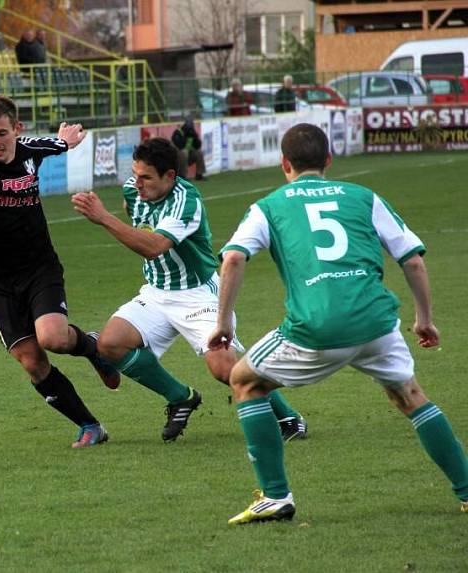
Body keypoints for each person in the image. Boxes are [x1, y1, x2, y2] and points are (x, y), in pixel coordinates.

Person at [208, 123, 468, 524]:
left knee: (244, 380)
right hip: (377, 323)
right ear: (329, 160)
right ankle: (466, 491)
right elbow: (413, 259)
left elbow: (233, 259)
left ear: (284, 164)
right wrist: (424, 320)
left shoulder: (269, 206)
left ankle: (276, 496)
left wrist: (223, 323)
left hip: (318, 328)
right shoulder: (364, 197)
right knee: (410, 395)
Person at [71, 137, 304, 442]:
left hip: (198, 294)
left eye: (146, 178)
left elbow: (155, 246)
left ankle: (289, 417)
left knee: (224, 369)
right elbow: (133, 209)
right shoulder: (132, 188)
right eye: (135, 174)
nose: (138, 183)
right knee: (110, 344)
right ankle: (181, 397)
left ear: (170, 176)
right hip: (157, 292)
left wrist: (103, 218)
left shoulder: (186, 200)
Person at [0, 95, 119, 448]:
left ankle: (91, 348)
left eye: (0, 133)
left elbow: (57, 143)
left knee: (54, 339)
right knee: (31, 360)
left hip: (37, 267)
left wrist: (67, 139)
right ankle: (90, 425)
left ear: (17, 129)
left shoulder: (31, 150)